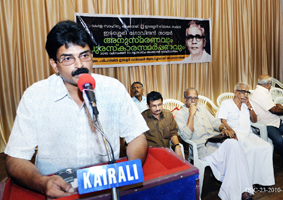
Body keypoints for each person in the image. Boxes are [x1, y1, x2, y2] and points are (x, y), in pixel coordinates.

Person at [4, 20, 149, 198]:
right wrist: (42, 183)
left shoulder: (113, 88)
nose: (79, 65)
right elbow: (15, 158)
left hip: (107, 188)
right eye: (68, 58)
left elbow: (136, 136)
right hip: (59, 192)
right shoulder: (35, 96)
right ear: (54, 64)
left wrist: (129, 172)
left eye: (84, 55)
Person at [175, 88, 254, 200]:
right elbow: (186, 136)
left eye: (195, 98)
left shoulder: (202, 109)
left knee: (235, 144)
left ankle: (238, 192)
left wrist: (223, 129)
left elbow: (215, 122)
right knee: (234, 155)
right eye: (190, 98)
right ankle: (243, 192)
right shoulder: (180, 115)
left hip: (217, 141)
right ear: (184, 99)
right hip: (204, 148)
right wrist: (191, 114)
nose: (193, 101)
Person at [217, 82, 275, 187]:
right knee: (249, 149)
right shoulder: (227, 103)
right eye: (243, 91)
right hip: (232, 136)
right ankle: (246, 182)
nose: (246, 94)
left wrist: (249, 106)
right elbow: (223, 120)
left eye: (247, 92)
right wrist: (232, 132)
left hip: (248, 134)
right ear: (235, 92)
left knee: (267, 147)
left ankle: (262, 179)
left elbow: (254, 120)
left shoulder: (246, 105)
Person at [251, 74, 283, 176]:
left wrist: (278, 106)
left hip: (276, 120)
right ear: (268, 84)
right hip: (267, 124)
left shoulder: (263, 91)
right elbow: (273, 110)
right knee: (279, 140)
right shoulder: (260, 93)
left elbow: (272, 106)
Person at [141, 91, 184, 158]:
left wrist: (177, 146)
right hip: (150, 154)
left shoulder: (168, 114)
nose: (158, 108)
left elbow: (173, 133)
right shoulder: (142, 118)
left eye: (159, 105)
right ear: (148, 106)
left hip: (166, 151)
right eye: (154, 106)